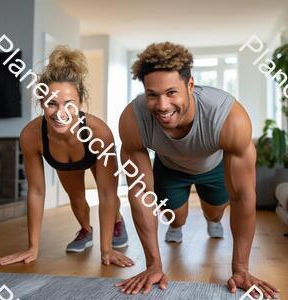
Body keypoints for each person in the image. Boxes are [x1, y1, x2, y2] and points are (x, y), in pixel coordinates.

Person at [116, 42, 279, 298]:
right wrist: (153, 266)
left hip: (213, 167)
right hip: (170, 167)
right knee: (175, 218)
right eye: (152, 94)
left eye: (171, 92)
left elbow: (243, 197)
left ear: (190, 85)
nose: (162, 105)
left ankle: (211, 220)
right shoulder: (132, 120)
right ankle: (177, 226)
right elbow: (140, 194)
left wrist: (241, 269)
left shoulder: (228, 117)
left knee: (215, 214)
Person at [0, 46, 133, 268]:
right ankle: (86, 231)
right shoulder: (31, 136)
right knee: (77, 201)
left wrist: (106, 249)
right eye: (51, 103)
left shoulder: (100, 132)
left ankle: (117, 222)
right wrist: (33, 247)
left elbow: (106, 193)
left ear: (80, 103)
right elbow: (37, 192)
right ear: (41, 102)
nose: (60, 113)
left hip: (91, 152)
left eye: (69, 104)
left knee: (111, 197)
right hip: (64, 160)